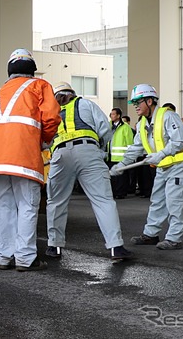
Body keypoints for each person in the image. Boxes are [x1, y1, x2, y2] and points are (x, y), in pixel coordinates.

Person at [0, 49, 61, 272]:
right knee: (26, 204)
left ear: (10, 71)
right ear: (32, 70)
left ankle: (3, 257)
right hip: (23, 155)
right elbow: (52, 117)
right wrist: (44, 140)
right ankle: (25, 258)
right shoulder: (40, 86)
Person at [46, 82, 133, 261]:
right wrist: (98, 148)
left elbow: (44, 139)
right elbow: (105, 129)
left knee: (56, 202)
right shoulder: (85, 104)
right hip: (89, 151)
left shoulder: (50, 112)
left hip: (60, 155)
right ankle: (116, 247)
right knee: (103, 200)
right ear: (73, 93)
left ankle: (54, 247)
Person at [110, 84, 183, 250]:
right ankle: (151, 235)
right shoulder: (142, 124)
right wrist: (123, 164)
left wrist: (161, 154)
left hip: (179, 165)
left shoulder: (168, 116)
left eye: (138, 102)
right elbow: (136, 147)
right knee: (157, 201)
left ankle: (174, 239)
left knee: (175, 203)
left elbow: (181, 140)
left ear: (149, 101)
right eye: (134, 103)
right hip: (162, 167)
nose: (135, 107)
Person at [106, 107, 133, 199]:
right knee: (112, 176)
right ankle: (113, 192)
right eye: (111, 114)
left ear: (118, 115)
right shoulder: (108, 126)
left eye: (113, 114)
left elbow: (129, 142)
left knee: (121, 177)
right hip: (109, 155)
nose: (111, 116)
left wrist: (130, 156)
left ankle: (121, 192)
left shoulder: (125, 127)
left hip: (121, 156)